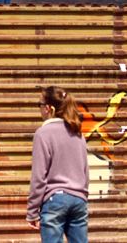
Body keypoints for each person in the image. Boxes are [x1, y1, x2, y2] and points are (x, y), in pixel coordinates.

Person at [26, 86, 89, 243]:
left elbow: (39, 176)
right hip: (78, 200)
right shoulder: (77, 132)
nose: (39, 109)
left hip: (55, 200)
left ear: (49, 108)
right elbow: (85, 170)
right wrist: (82, 196)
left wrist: (32, 211)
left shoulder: (43, 133)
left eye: (39, 105)